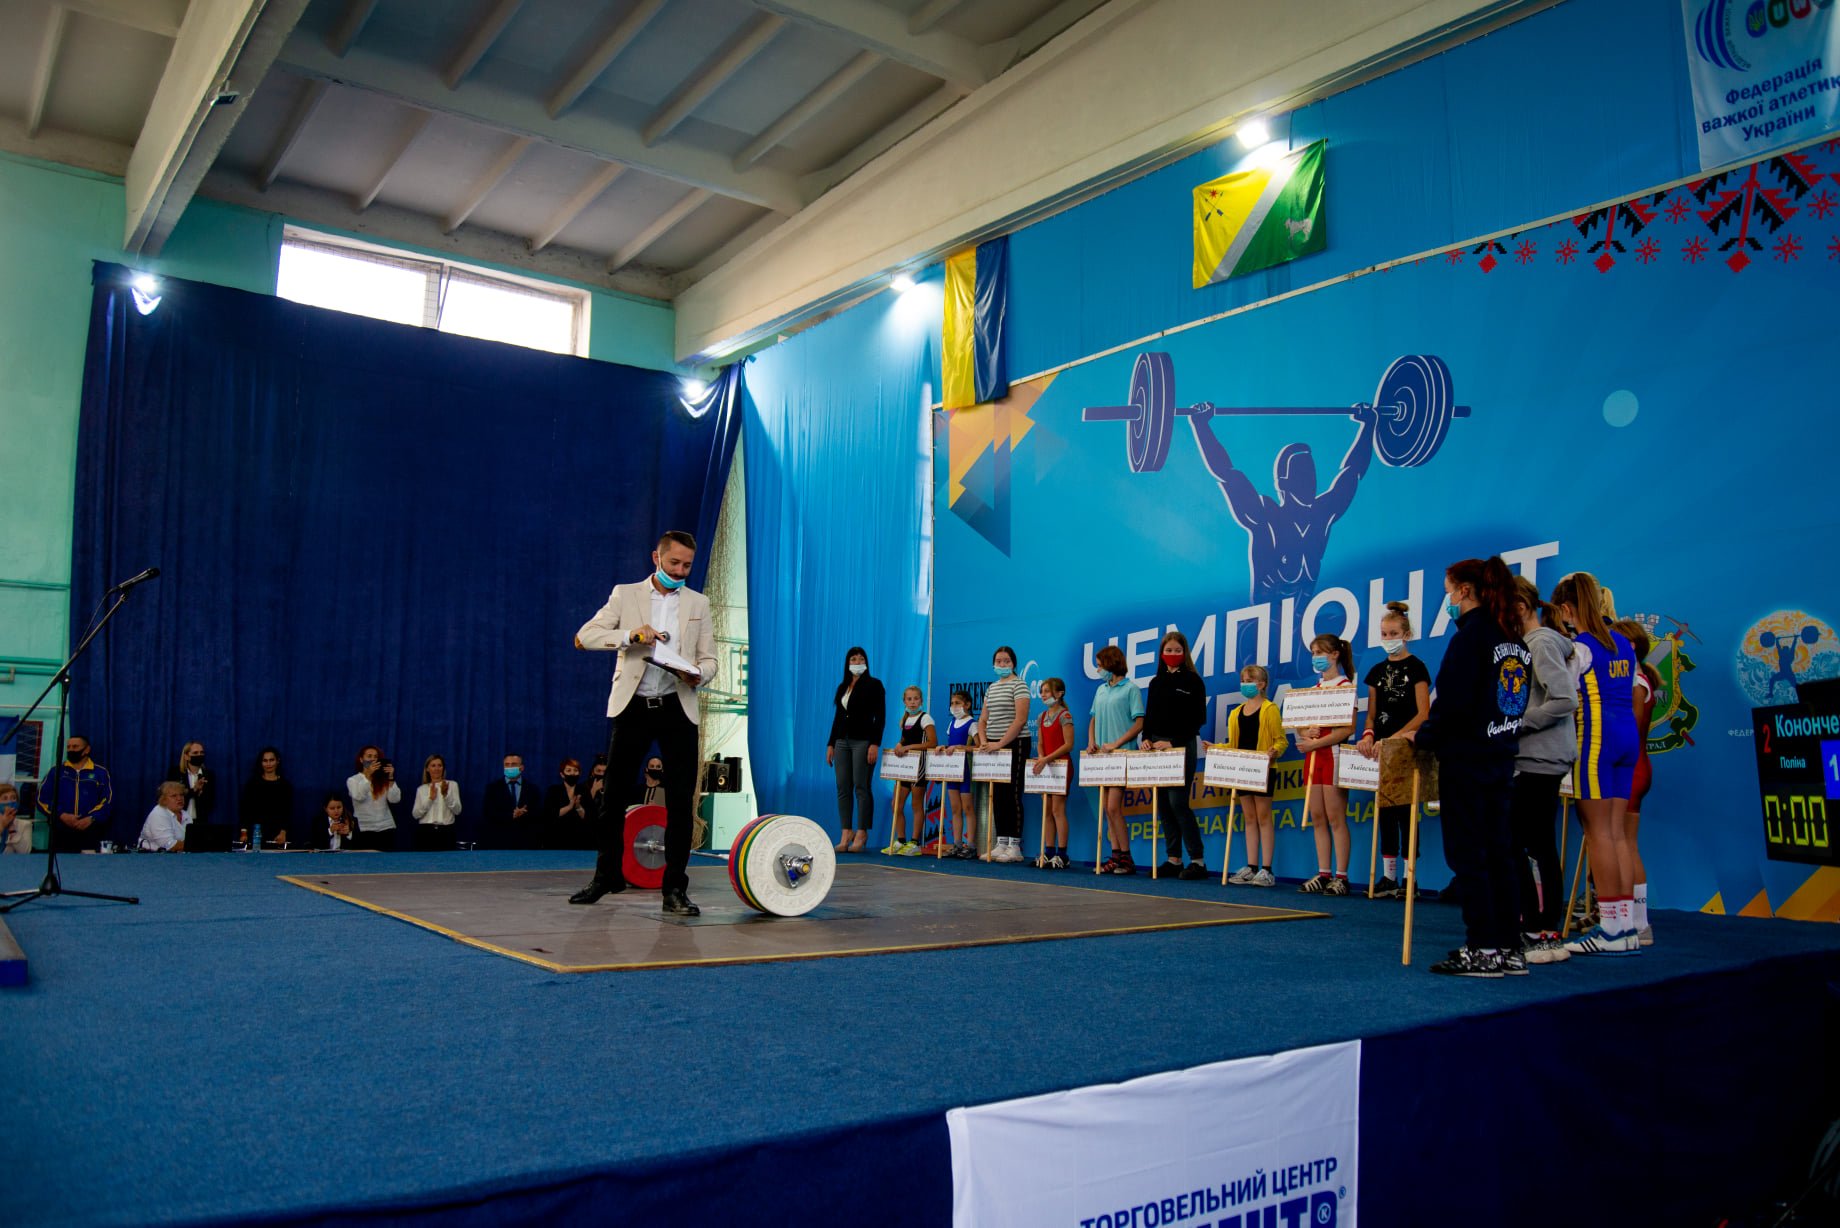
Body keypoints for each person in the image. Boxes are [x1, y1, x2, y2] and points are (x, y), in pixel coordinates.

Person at [568, 529, 720, 915]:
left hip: (677, 706)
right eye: (674, 563)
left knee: (681, 802)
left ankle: (675, 889)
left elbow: (710, 659)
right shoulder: (626, 594)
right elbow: (585, 637)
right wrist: (631, 635)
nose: (680, 571)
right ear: (657, 558)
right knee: (613, 797)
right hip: (633, 706)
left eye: (687, 565)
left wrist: (698, 675)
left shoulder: (699, 603)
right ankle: (606, 876)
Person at [1405, 556, 1533, 977]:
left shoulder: (1471, 638)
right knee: (1501, 853)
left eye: (1448, 592)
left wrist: (1423, 737)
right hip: (1501, 756)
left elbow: (1453, 705)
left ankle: (1482, 947)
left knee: (1470, 855)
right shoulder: (1513, 639)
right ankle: (1509, 947)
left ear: (1464, 591)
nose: (1447, 600)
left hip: (1467, 760)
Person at [1551, 572, 1642, 956]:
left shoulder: (1581, 649)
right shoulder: (1624, 643)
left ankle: (1611, 930)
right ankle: (1626, 927)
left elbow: (1561, 697)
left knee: (1598, 833)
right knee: (1617, 834)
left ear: (1567, 609)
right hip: (1627, 740)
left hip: (1597, 742)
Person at [1511, 578, 1578, 964]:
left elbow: (1565, 699)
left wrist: (1519, 723)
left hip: (1541, 759)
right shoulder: (1530, 645)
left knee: (1531, 843)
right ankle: (1539, 924)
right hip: (1532, 759)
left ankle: (1542, 926)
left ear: (1520, 608)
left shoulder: (1542, 644)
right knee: (1533, 842)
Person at [1356, 602, 1431, 897]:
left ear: (1406, 634)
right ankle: (1388, 876)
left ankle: (1410, 878)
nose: (1388, 639)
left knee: (1406, 813)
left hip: (1406, 748)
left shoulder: (1417, 667)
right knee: (1385, 811)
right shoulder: (1376, 671)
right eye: (1384, 634)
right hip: (1381, 750)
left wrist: (1396, 738)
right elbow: (1372, 714)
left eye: (1394, 634)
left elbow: (1423, 713)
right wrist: (1368, 735)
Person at [1142, 631, 1210, 880]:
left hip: (1181, 746)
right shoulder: (1155, 682)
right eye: (1168, 650)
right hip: (1157, 749)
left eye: (1177, 650)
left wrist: (1172, 742)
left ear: (1184, 653)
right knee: (1163, 804)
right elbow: (1149, 715)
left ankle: (1198, 861)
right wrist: (1146, 738)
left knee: (1178, 803)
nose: (1172, 654)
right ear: (1161, 653)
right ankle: (1174, 859)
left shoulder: (1193, 681)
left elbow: (1198, 719)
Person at [1296, 634, 1357, 895]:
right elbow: (1299, 724)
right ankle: (1323, 873)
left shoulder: (1345, 686)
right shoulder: (1314, 689)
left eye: (1320, 652)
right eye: (1313, 653)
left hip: (1333, 755)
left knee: (1335, 817)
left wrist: (1317, 742)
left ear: (1334, 654)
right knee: (1317, 817)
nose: (1316, 658)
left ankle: (1341, 877)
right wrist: (1305, 732)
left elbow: (1347, 729)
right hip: (1313, 757)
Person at [1613, 617, 1659, 948]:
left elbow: (1629, 730)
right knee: (1624, 844)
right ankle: (1631, 921)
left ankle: (1638, 924)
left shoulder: (1635, 683)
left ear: (1629, 646)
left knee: (1625, 845)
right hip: (1635, 767)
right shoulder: (1638, 679)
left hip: (1631, 769)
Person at [1224, 665, 1285, 886]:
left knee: (1263, 817)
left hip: (1263, 770)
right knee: (1249, 818)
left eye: (1250, 680)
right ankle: (1251, 866)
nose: (1245, 684)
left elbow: (1281, 740)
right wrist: (1216, 748)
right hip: (1243, 770)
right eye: (1243, 680)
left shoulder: (1270, 709)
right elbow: (1233, 744)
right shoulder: (1236, 713)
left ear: (1261, 684)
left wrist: (1275, 751)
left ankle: (1267, 869)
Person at [1089, 644, 1145, 874]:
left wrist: (1116, 743)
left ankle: (1126, 858)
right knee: (1106, 808)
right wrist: (1091, 741)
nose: (1098, 670)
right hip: (1101, 758)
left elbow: (1139, 723)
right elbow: (1093, 718)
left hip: (1121, 755)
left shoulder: (1131, 689)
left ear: (1111, 664)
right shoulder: (1101, 690)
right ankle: (1115, 855)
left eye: (1100, 665)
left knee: (1113, 807)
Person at [975, 645, 1032, 863]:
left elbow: (1020, 719)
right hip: (992, 745)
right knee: (997, 794)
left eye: (1006, 661)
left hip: (1015, 743)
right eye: (998, 661)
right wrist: (984, 741)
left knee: (1012, 794)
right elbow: (982, 719)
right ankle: (1001, 842)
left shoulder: (1019, 685)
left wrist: (1000, 744)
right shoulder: (992, 688)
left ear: (1013, 663)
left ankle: (1014, 846)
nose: (1002, 664)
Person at [826, 647, 885, 853]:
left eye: (861, 659)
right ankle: (846, 832)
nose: (857, 662)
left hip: (863, 741)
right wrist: (831, 744)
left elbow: (880, 717)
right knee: (843, 787)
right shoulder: (843, 686)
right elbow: (838, 717)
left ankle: (861, 832)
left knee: (861, 786)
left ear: (866, 662)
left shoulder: (874, 684)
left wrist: (874, 743)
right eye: (853, 659)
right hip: (842, 741)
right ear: (847, 663)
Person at [885, 686, 937, 856]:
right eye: (909, 699)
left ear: (921, 700)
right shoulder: (905, 719)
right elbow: (904, 740)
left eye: (916, 699)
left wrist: (908, 747)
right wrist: (899, 745)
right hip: (905, 768)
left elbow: (933, 743)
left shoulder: (925, 718)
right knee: (896, 804)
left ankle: (914, 843)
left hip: (919, 766)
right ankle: (901, 840)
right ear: (904, 701)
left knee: (916, 804)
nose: (913, 702)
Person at [37, 735, 112, 853]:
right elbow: (42, 799)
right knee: (61, 862)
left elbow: (108, 800)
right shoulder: (56, 771)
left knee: (90, 863)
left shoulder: (100, 773)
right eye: (68, 747)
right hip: (61, 829)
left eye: (75, 746)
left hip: (90, 828)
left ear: (87, 750)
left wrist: (91, 818)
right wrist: (61, 815)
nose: (71, 750)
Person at [1031, 677, 1076, 868]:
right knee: (1047, 811)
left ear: (1059, 693)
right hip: (1047, 767)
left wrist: (1046, 759)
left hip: (1061, 766)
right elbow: (1041, 743)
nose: (1043, 695)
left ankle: (1062, 854)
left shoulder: (1065, 716)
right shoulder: (1041, 717)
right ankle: (1049, 852)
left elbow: (1068, 745)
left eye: (1047, 691)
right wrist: (1042, 757)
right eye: (1041, 692)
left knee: (1058, 810)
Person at [941, 690, 977, 858]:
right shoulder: (952, 723)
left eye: (957, 703)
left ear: (967, 705)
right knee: (955, 809)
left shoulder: (972, 724)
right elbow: (950, 745)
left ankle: (971, 846)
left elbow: (979, 747)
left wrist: (964, 748)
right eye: (952, 703)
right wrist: (942, 748)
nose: (954, 706)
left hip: (966, 770)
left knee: (968, 808)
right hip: (952, 771)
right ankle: (956, 844)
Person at [344, 745, 400, 851]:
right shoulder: (353, 780)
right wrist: (368, 776)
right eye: (369, 756)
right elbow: (359, 796)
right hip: (364, 829)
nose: (373, 759)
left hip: (386, 828)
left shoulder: (382, 779)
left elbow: (395, 799)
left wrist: (390, 777)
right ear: (361, 759)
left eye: (375, 757)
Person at [240, 747, 295, 847]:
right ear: (261, 763)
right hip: (256, 835)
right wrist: (244, 833)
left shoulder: (285, 786)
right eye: (265, 761)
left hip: (278, 837)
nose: (268, 764)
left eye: (271, 760)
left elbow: (287, 812)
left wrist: (283, 833)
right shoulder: (252, 784)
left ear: (277, 761)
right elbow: (245, 810)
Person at [482, 754, 537, 850]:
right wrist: (511, 815)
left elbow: (537, 813)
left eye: (514, 764)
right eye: (507, 765)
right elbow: (488, 813)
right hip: (500, 840)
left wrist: (522, 813)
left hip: (525, 841)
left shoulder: (532, 788)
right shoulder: (493, 788)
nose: (510, 767)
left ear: (521, 768)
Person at [411, 755, 462, 851]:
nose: (437, 769)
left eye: (439, 765)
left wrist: (446, 795)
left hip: (446, 833)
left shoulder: (452, 785)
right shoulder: (421, 789)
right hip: (425, 833)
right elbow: (415, 814)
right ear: (427, 769)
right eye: (433, 765)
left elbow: (458, 810)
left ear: (443, 768)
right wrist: (430, 799)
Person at [167, 740, 217, 831]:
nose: (199, 755)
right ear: (186, 756)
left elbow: (210, 803)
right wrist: (193, 790)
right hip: (177, 820)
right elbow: (172, 798)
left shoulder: (208, 775)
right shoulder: (175, 773)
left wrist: (200, 793)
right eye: (195, 753)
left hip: (199, 822)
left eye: (201, 752)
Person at [546, 758, 593, 851]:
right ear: (562, 774)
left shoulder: (584, 790)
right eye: (569, 770)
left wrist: (578, 807)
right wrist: (569, 807)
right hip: (557, 838)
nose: (572, 773)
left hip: (580, 839)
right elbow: (550, 815)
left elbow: (589, 817)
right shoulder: (553, 790)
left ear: (579, 773)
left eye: (575, 770)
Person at [138, 781, 189, 852]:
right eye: (174, 796)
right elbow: (169, 845)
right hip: (152, 855)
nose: (179, 798)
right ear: (163, 799)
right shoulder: (158, 813)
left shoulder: (186, 814)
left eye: (181, 795)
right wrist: (199, 845)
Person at [1, 782, 29, 854]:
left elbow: (25, 852)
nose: (10, 802)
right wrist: (2, 826)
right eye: (5, 798)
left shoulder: (25, 824)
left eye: (13, 798)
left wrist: (12, 829)